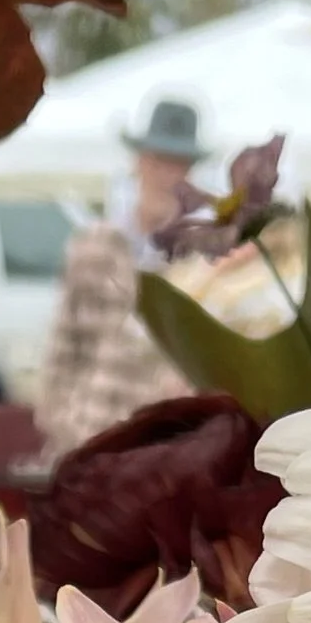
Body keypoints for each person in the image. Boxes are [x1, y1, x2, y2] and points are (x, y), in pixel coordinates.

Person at [33, 94, 201, 459]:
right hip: (86, 437)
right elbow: (62, 345)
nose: (167, 176)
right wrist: (63, 422)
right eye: (159, 161)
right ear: (139, 162)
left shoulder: (202, 259)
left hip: (161, 449)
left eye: (179, 165)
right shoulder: (93, 246)